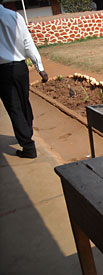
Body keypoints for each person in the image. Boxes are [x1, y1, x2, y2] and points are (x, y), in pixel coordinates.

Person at [0, 0, 48, 158]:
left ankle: (28, 146)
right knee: (24, 101)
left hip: (2, 71)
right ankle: (26, 132)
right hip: (20, 68)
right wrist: (39, 67)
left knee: (14, 107)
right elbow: (28, 42)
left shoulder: (14, 16)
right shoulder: (14, 16)